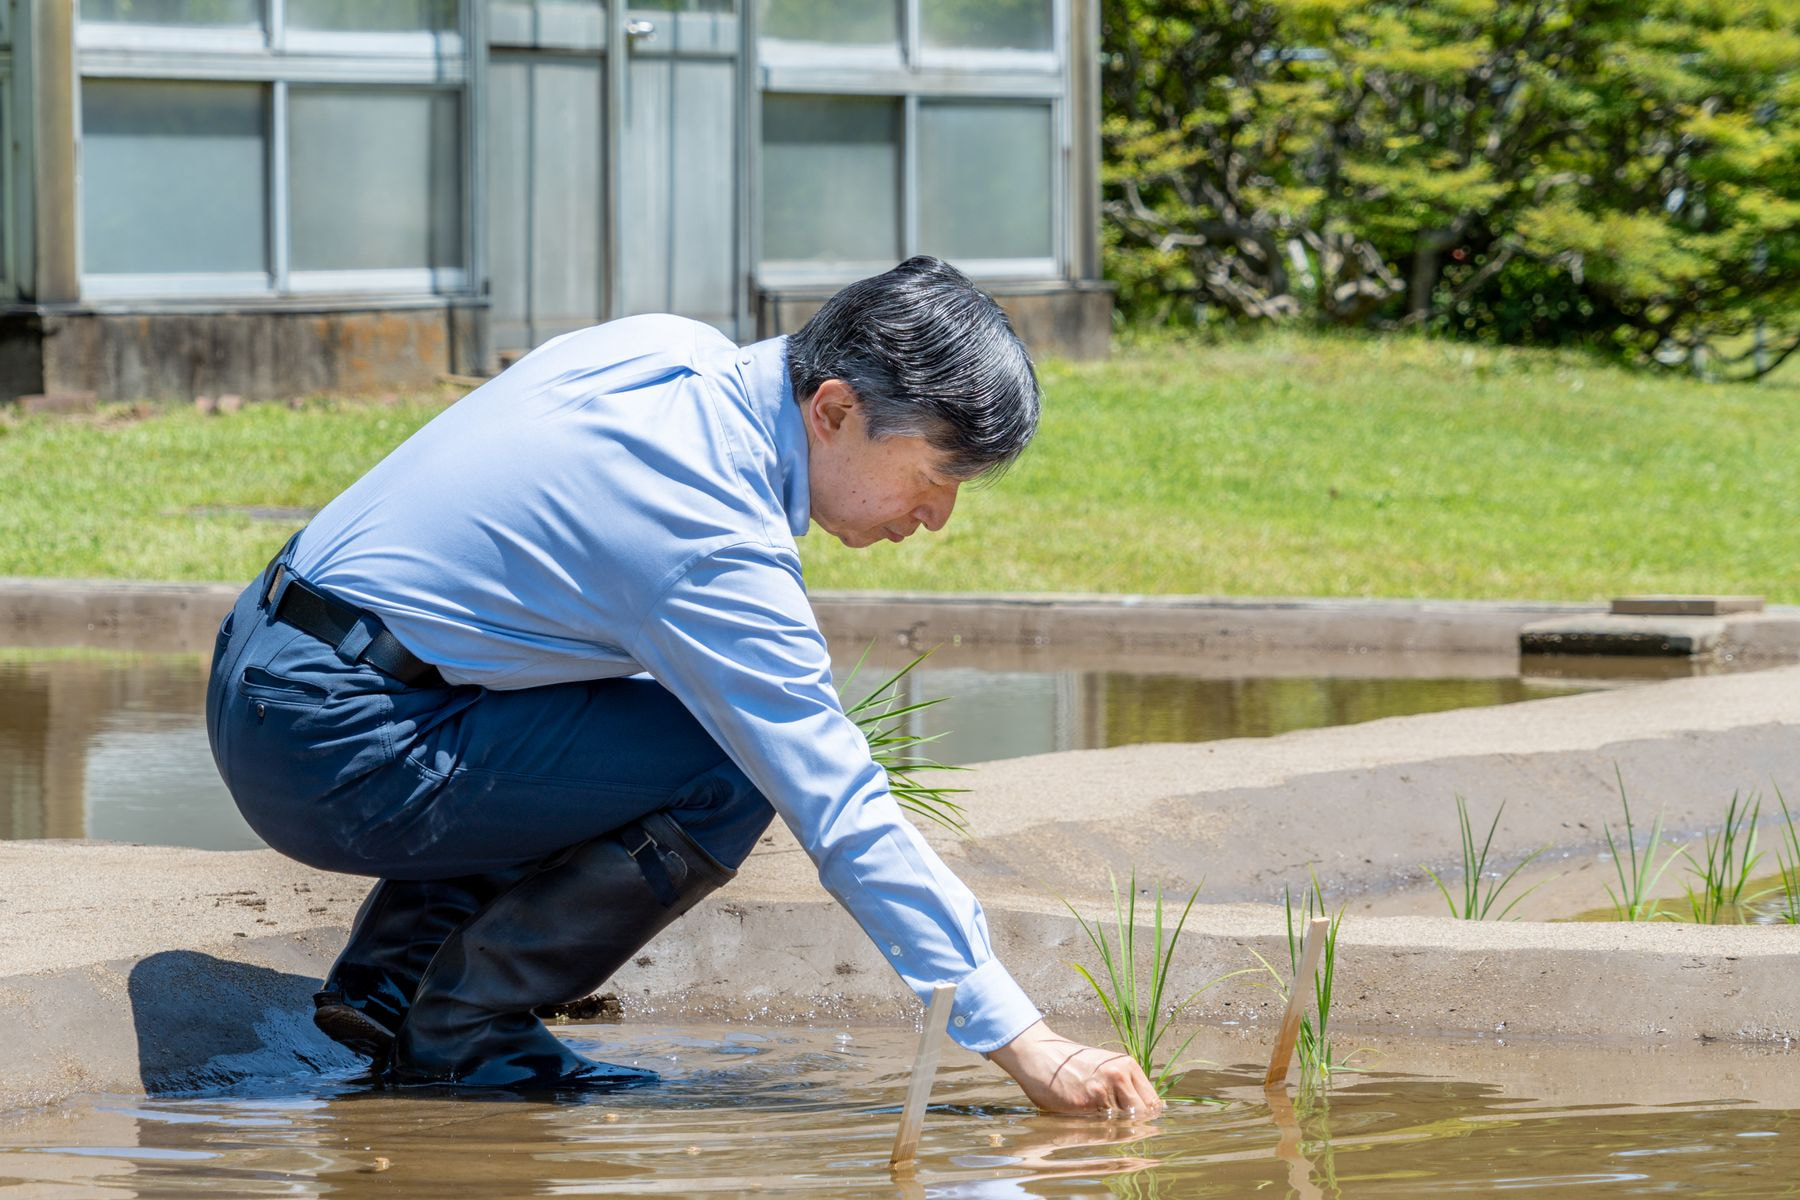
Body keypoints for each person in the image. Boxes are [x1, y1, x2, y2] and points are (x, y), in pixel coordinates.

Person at [206, 256, 1161, 1116]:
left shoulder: (673, 352)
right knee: (730, 766)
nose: (938, 515)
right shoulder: (707, 532)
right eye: (934, 475)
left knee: (656, 727)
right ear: (834, 410)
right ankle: (465, 1033)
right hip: (332, 742)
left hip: (276, 652)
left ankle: (395, 981)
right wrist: (1024, 1040)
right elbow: (839, 807)